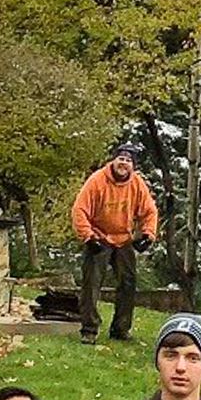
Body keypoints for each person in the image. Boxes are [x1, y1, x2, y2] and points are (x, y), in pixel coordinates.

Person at [72, 145, 160, 346]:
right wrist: (88, 236)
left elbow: (149, 211)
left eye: (128, 161)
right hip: (98, 236)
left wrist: (148, 234)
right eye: (120, 159)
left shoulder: (137, 184)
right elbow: (79, 210)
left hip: (123, 238)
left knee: (128, 283)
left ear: (133, 166)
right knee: (91, 284)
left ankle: (121, 329)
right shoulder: (96, 181)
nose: (123, 163)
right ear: (113, 161)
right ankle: (89, 329)